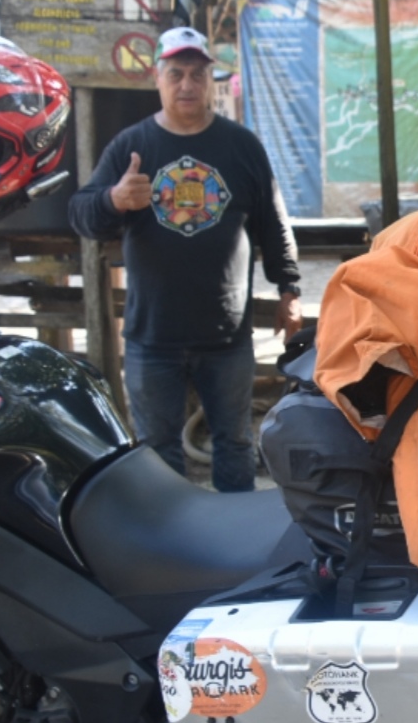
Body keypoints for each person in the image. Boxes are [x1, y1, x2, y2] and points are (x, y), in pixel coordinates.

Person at [69, 25, 303, 492]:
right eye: (175, 73)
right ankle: (170, 551)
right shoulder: (131, 147)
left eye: (197, 74)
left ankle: (236, 548)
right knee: (159, 450)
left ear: (210, 80)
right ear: (157, 78)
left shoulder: (242, 147)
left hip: (227, 335)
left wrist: (290, 290)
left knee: (235, 443)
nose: (186, 84)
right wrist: (114, 200)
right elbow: (80, 215)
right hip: (152, 337)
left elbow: (273, 224)